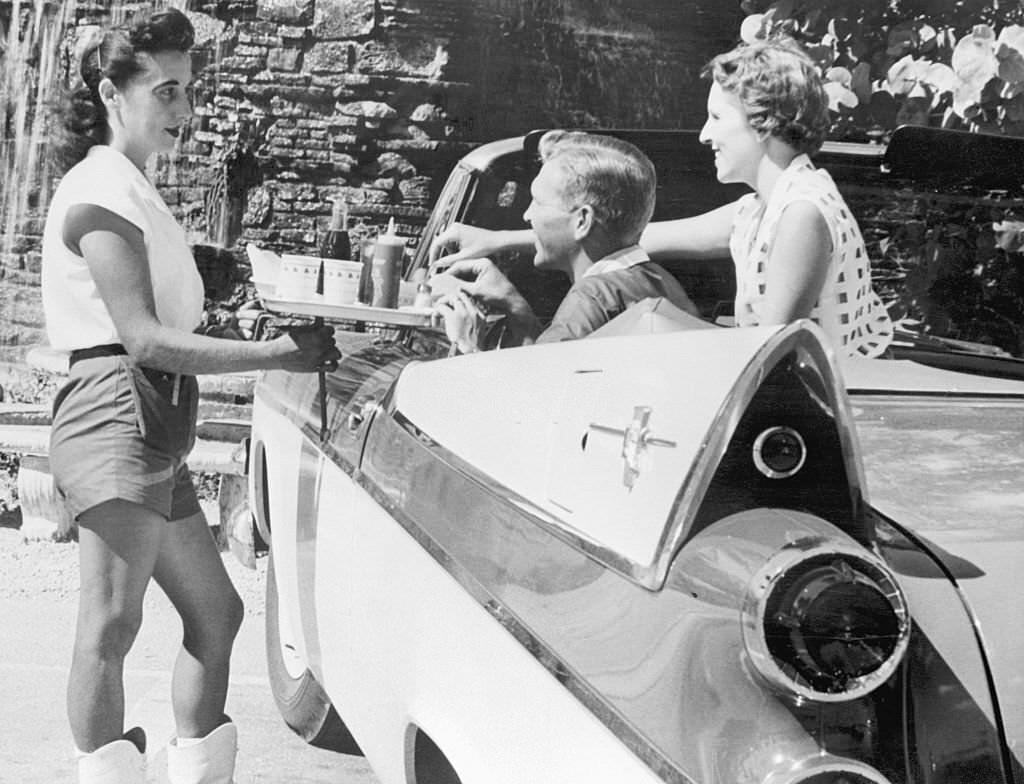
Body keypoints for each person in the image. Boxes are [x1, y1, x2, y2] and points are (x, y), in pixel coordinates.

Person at [42, 10, 340, 784]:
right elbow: (141, 337)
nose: (185, 111)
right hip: (114, 406)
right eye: (166, 92)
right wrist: (274, 352)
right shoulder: (101, 192)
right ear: (113, 93)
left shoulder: (135, 191)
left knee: (217, 614)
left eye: (188, 92)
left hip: (155, 417)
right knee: (110, 623)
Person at [431, 38, 893, 359]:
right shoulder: (763, 206)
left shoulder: (801, 214)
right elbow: (631, 236)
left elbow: (767, 356)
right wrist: (498, 239)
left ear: (763, 123)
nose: (704, 134)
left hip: (835, 414)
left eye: (716, 117)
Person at [433, 130, 699, 352]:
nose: (527, 215)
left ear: (582, 221)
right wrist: (515, 306)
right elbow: (551, 363)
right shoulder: (661, 281)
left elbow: (531, 405)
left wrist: (467, 343)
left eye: (538, 202)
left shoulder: (590, 298)